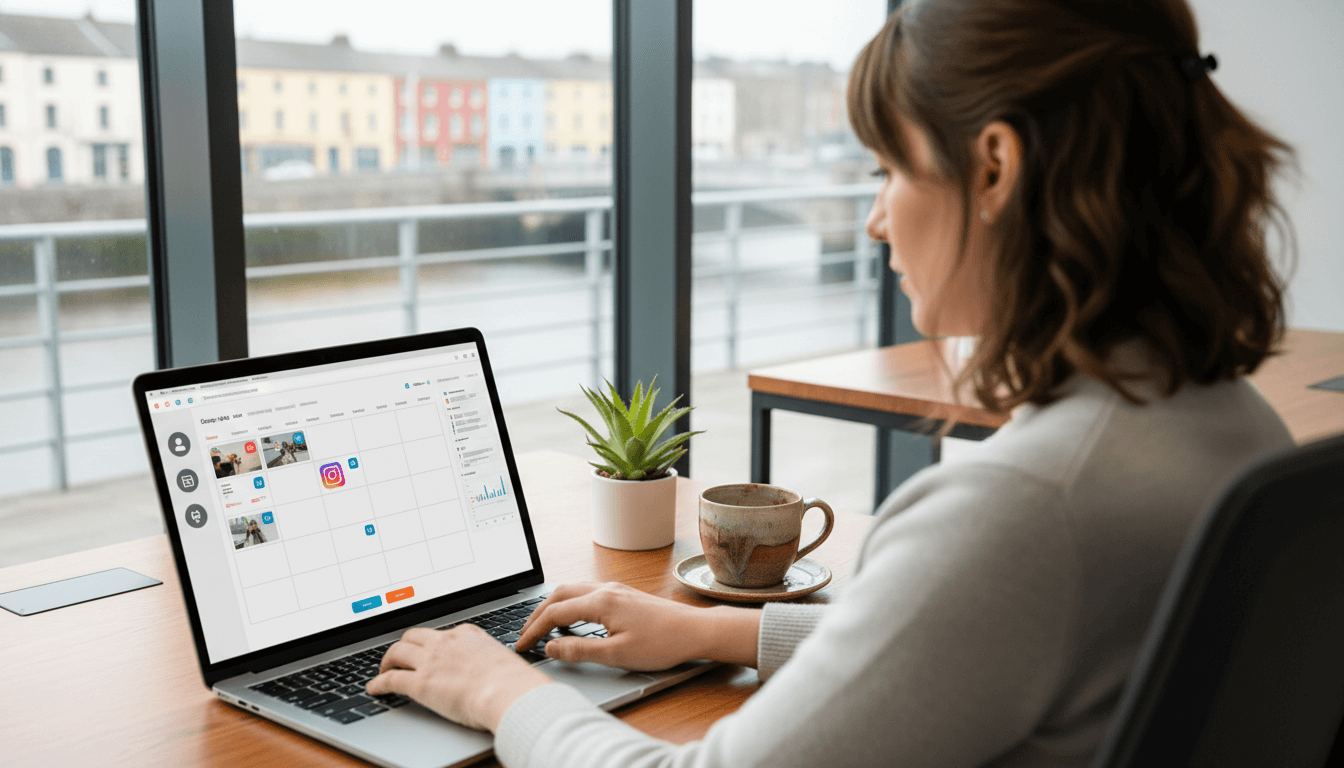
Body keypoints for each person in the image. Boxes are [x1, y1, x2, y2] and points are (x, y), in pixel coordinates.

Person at [366, 1, 1297, 765]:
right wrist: (715, 633)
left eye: (890, 167)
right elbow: (976, 643)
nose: (873, 222)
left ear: (995, 167)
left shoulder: (1024, 504)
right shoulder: (1227, 421)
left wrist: (499, 690)